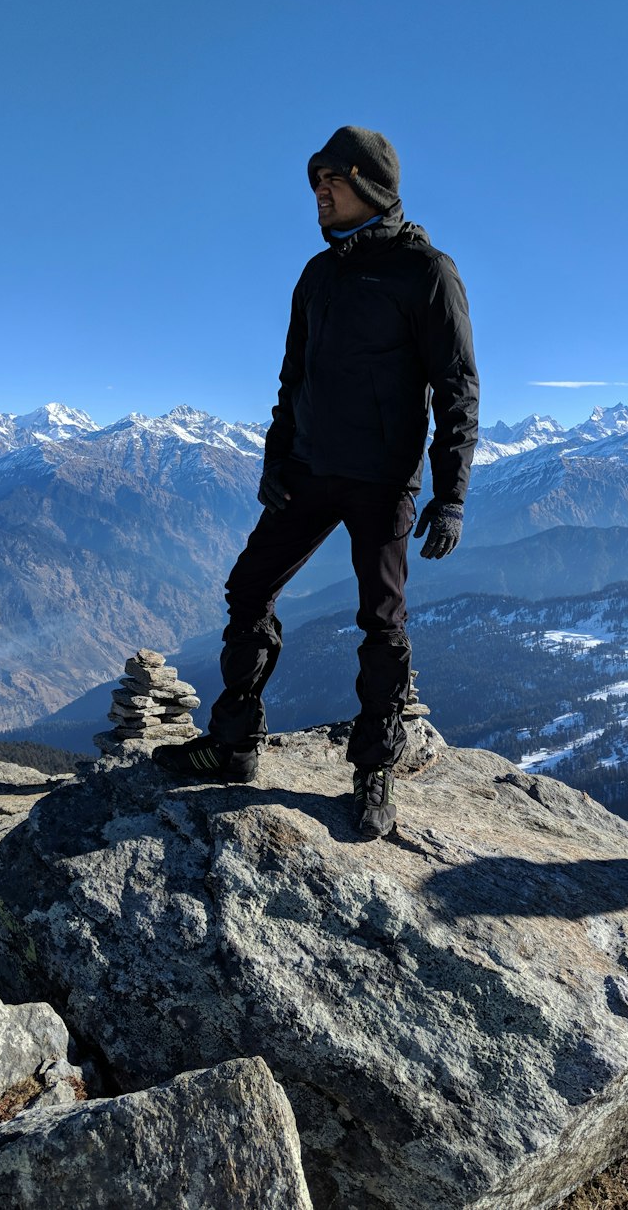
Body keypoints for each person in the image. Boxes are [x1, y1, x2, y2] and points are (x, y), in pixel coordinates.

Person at [155, 126, 479, 838]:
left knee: (381, 621)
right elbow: (292, 376)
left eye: (330, 182)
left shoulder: (427, 271)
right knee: (248, 587)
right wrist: (278, 455)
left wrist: (450, 494)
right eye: (315, 184)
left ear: (368, 185)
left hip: (383, 481)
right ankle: (235, 741)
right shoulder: (318, 274)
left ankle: (373, 770)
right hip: (308, 471)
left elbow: (457, 388)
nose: (318, 196)